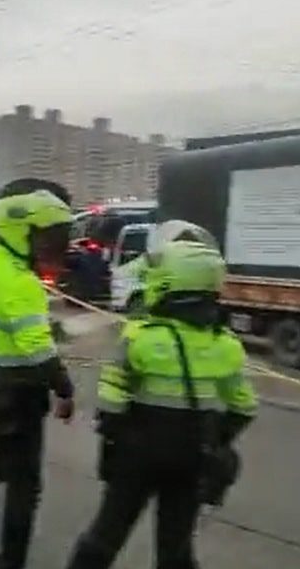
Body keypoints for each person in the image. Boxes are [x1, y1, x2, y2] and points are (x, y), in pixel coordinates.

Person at [65, 229, 258, 569]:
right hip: (192, 456)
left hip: (137, 454)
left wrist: (111, 440)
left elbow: (112, 397)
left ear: (167, 284)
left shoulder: (140, 337)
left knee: (106, 535)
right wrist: (216, 438)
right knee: (176, 546)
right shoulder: (226, 345)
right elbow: (244, 405)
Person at [0, 181, 77, 569]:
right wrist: (63, 386)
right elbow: (37, 346)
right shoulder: (20, 281)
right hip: (18, 393)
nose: (50, 248)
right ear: (20, 233)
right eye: (44, 238)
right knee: (23, 486)